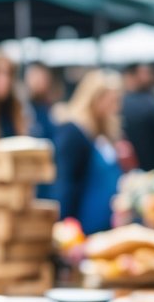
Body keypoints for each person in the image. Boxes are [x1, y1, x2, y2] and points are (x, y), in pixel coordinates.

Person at [50, 70, 125, 236]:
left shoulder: (104, 131)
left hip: (107, 225)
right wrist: (66, 225)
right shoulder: (74, 131)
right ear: (95, 98)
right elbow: (66, 181)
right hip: (84, 226)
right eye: (111, 100)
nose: (115, 106)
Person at [24, 62, 61, 141]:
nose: (37, 82)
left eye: (41, 77)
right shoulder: (22, 109)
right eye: (34, 77)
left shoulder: (53, 110)